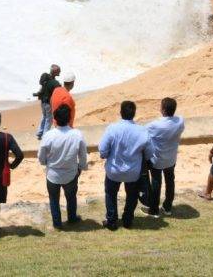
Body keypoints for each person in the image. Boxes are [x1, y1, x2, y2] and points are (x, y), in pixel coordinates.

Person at [98, 101, 149, 230]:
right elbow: (150, 152)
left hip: (114, 170)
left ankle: (112, 221)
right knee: (131, 195)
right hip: (133, 172)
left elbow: (103, 151)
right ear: (134, 114)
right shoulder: (142, 131)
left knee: (110, 193)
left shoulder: (112, 128)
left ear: (120, 113)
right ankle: (127, 220)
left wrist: (107, 155)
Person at [38, 104, 87, 229]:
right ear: (70, 118)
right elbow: (83, 154)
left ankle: (57, 223)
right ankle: (72, 218)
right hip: (71, 173)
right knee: (71, 197)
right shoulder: (77, 134)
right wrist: (81, 167)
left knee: (54, 199)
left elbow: (41, 156)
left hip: (53, 174)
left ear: (54, 119)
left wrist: (45, 164)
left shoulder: (48, 135)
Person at [141, 97, 184, 216]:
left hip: (157, 160)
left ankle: (154, 210)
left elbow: (142, 134)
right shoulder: (180, 121)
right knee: (170, 182)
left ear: (163, 110)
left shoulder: (155, 125)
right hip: (171, 159)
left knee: (156, 183)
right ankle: (168, 207)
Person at [33, 64, 61, 140]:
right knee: (49, 119)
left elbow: (41, 89)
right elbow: (60, 91)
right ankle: (45, 135)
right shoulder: (55, 83)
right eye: (59, 71)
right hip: (48, 103)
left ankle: (40, 132)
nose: (60, 73)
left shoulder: (45, 79)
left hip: (42, 102)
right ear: (55, 72)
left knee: (44, 116)